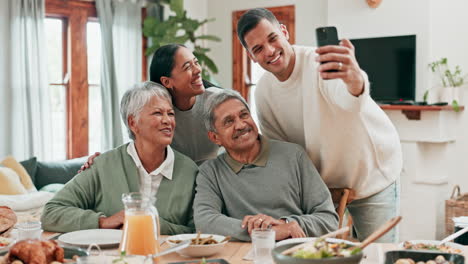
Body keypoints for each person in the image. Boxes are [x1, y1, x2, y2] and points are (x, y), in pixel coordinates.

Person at [236, 8, 402, 242]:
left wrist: (354, 80)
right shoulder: (263, 92)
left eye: (272, 38)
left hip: (371, 173)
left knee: (378, 255)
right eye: (258, 49)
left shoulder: (318, 63)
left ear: (284, 32)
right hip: (323, 189)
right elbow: (282, 153)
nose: (270, 51)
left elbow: (349, 100)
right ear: (251, 57)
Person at [42, 82, 198, 234]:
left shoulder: (190, 172)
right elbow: (51, 212)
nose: (167, 120)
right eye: (158, 113)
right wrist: (102, 222)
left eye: (170, 113)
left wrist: (154, 224)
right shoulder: (103, 166)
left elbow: (198, 230)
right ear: (133, 123)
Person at [193, 89, 338, 242]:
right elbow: (204, 222)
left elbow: (328, 219)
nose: (241, 125)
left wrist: (287, 224)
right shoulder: (210, 172)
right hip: (242, 256)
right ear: (215, 137)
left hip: (295, 252)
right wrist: (266, 233)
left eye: (244, 115)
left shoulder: (294, 155)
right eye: (229, 121)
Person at [79, 44, 221, 171]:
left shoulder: (219, 101)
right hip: (176, 182)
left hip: (214, 179)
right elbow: (141, 147)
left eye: (196, 63)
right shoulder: (158, 113)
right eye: (187, 67)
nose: (197, 70)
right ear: (166, 81)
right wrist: (104, 161)